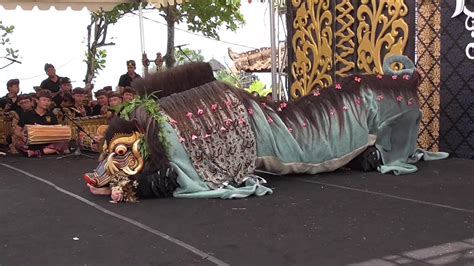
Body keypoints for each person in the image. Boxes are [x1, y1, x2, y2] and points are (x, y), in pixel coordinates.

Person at [14, 89, 69, 157]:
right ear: (37, 101)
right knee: (18, 143)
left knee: (63, 143)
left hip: (47, 143)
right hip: (31, 143)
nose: (46, 102)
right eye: (44, 100)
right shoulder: (27, 114)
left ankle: (37, 152)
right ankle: (44, 151)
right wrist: (22, 135)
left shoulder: (51, 115)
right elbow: (17, 130)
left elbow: (56, 131)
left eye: (48, 101)